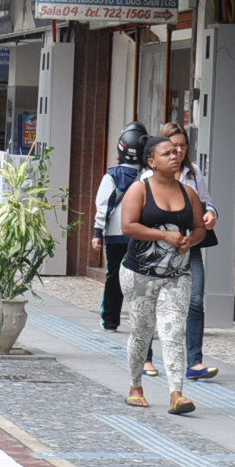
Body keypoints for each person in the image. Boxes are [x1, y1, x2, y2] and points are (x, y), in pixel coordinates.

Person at [119, 132, 204, 416]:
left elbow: (200, 228)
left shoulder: (188, 192)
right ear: (152, 161)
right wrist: (163, 236)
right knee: (142, 332)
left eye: (178, 151)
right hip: (139, 274)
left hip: (177, 276)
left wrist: (189, 241)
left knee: (173, 331)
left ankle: (176, 394)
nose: (175, 155)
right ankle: (135, 386)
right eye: (167, 153)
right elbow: (128, 226)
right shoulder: (140, 189)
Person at [160, 122, 221, 382]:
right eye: (174, 146)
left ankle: (194, 361)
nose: (179, 151)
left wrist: (211, 214)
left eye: (183, 146)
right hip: (160, 247)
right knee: (157, 302)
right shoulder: (150, 174)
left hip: (191, 243)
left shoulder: (193, 173)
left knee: (195, 300)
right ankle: (148, 357)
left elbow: (207, 201)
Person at [90, 123, 148, 334]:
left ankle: (110, 319)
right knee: (141, 279)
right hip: (142, 234)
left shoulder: (112, 176)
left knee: (113, 277)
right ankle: (141, 321)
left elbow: (103, 206)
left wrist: (98, 233)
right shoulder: (149, 177)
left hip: (115, 234)